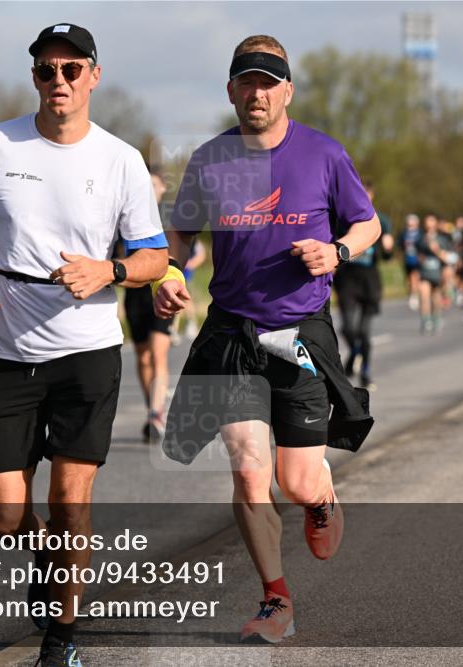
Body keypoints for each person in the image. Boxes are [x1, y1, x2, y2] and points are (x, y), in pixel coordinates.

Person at [0, 23, 167, 667]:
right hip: (3, 351)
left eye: (71, 68)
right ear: (33, 76)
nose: (57, 80)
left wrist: (108, 271)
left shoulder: (121, 159)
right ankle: (48, 554)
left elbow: (153, 255)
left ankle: (60, 640)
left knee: (69, 499)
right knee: (4, 516)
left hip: (86, 350)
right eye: (45, 69)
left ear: (94, 75)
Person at [156, 35, 378, 643]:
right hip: (231, 329)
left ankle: (320, 493)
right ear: (230, 90)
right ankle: (276, 599)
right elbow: (179, 234)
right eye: (244, 82)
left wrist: (335, 251)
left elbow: (368, 223)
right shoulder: (209, 159)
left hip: (300, 329)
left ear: (287, 91)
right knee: (250, 471)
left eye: (267, 82)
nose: (255, 93)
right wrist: (172, 274)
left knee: (295, 480)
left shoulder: (324, 154)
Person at [123, 170, 173, 443]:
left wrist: (177, 274)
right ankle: (151, 411)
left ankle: (157, 413)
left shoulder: (170, 215)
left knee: (157, 354)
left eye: (154, 183)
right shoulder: (128, 212)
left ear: (163, 187)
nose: (150, 188)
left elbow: (193, 249)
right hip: (133, 293)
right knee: (142, 356)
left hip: (161, 290)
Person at [333, 180, 394, 390]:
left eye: (367, 193)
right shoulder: (341, 216)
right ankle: (356, 353)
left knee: (364, 331)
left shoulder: (381, 220)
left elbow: (387, 255)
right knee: (348, 328)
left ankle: (366, 373)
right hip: (347, 278)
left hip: (369, 279)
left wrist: (388, 249)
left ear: (372, 196)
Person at [416, 214, 448, 335]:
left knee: (436, 298)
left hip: (437, 272)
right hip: (424, 272)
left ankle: (436, 318)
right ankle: (425, 320)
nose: (429, 223)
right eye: (427, 221)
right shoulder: (421, 239)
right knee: (424, 295)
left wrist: (437, 250)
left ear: (435, 223)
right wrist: (420, 259)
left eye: (431, 220)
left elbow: (447, 258)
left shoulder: (442, 239)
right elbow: (417, 254)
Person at [401, 214, 422, 310]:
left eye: (412, 224)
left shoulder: (420, 234)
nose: (410, 227)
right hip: (408, 259)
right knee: (409, 279)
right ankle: (412, 293)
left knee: (415, 277)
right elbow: (400, 244)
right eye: (409, 225)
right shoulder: (404, 234)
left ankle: (415, 296)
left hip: (417, 260)